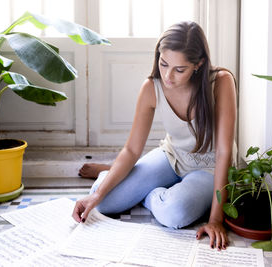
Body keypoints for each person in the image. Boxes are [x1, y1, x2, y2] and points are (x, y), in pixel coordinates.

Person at [73, 21, 237, 250]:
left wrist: (216, 220)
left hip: (208, 168)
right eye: (164, 64)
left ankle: (147, 193)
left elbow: (223, 152)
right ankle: (119, 176)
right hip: (172, 156)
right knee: (104, 201)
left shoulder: (220, 82)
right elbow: (131, 150)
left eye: (180, 70)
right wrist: (97, 195)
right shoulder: (151, 87)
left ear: (198, 64)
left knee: (174, 214)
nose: (168, 76)